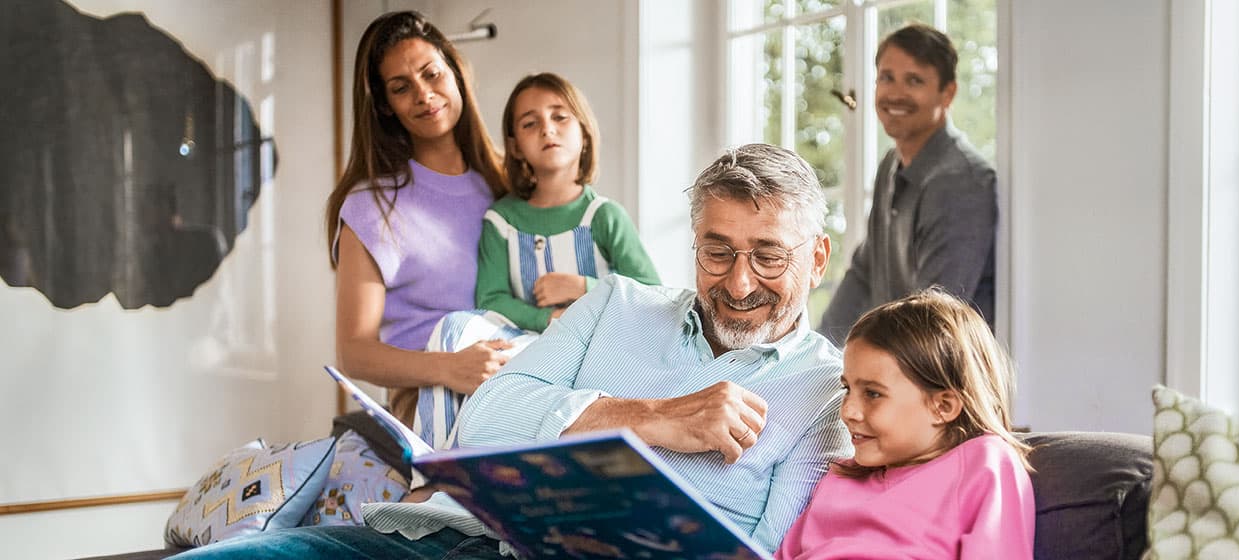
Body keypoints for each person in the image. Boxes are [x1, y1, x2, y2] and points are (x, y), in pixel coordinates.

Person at [173, 144, 852, 559]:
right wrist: (649, 417)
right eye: (718, 250)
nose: (738, 282)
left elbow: (767, 549)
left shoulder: (828, 392)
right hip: (448, 539)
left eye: (768, 256)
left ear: (817, 257)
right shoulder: (615, 303)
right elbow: (484, 419)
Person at [324, 10, 512, 425]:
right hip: (431, 398)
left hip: (519, 378)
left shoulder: (505, 184)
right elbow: (354, 352)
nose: (424, 95)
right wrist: (449, 368)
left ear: (455, 72)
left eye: (432, 74)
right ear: (386, 106)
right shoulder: (371, 205)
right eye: (401, 87)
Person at [778, 290, 1034, 559]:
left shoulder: (985, 463)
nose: (848, 411)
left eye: (873, 394)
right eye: (847, 389)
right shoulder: (840, 476)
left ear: (943, 406)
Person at [819, 23, 998, 345]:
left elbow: (934, 315)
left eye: (914, 80)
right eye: (886, 78)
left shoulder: (961, 182)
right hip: (898, 364)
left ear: (948, 93)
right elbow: (863, 273)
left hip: (941, 375)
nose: (895, 93)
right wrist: (820, 353)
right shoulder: (891, 165)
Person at [477, 72, 660, 332]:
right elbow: (491, 300)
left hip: (601, 349)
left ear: (584, 133)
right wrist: (550, 319)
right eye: (529, 123)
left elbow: (651, 294)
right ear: (515, 147)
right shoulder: (500, 220)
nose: (547, 129)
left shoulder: (606, 216)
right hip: (526, 353)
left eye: (560, 117)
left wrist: (583, 287)